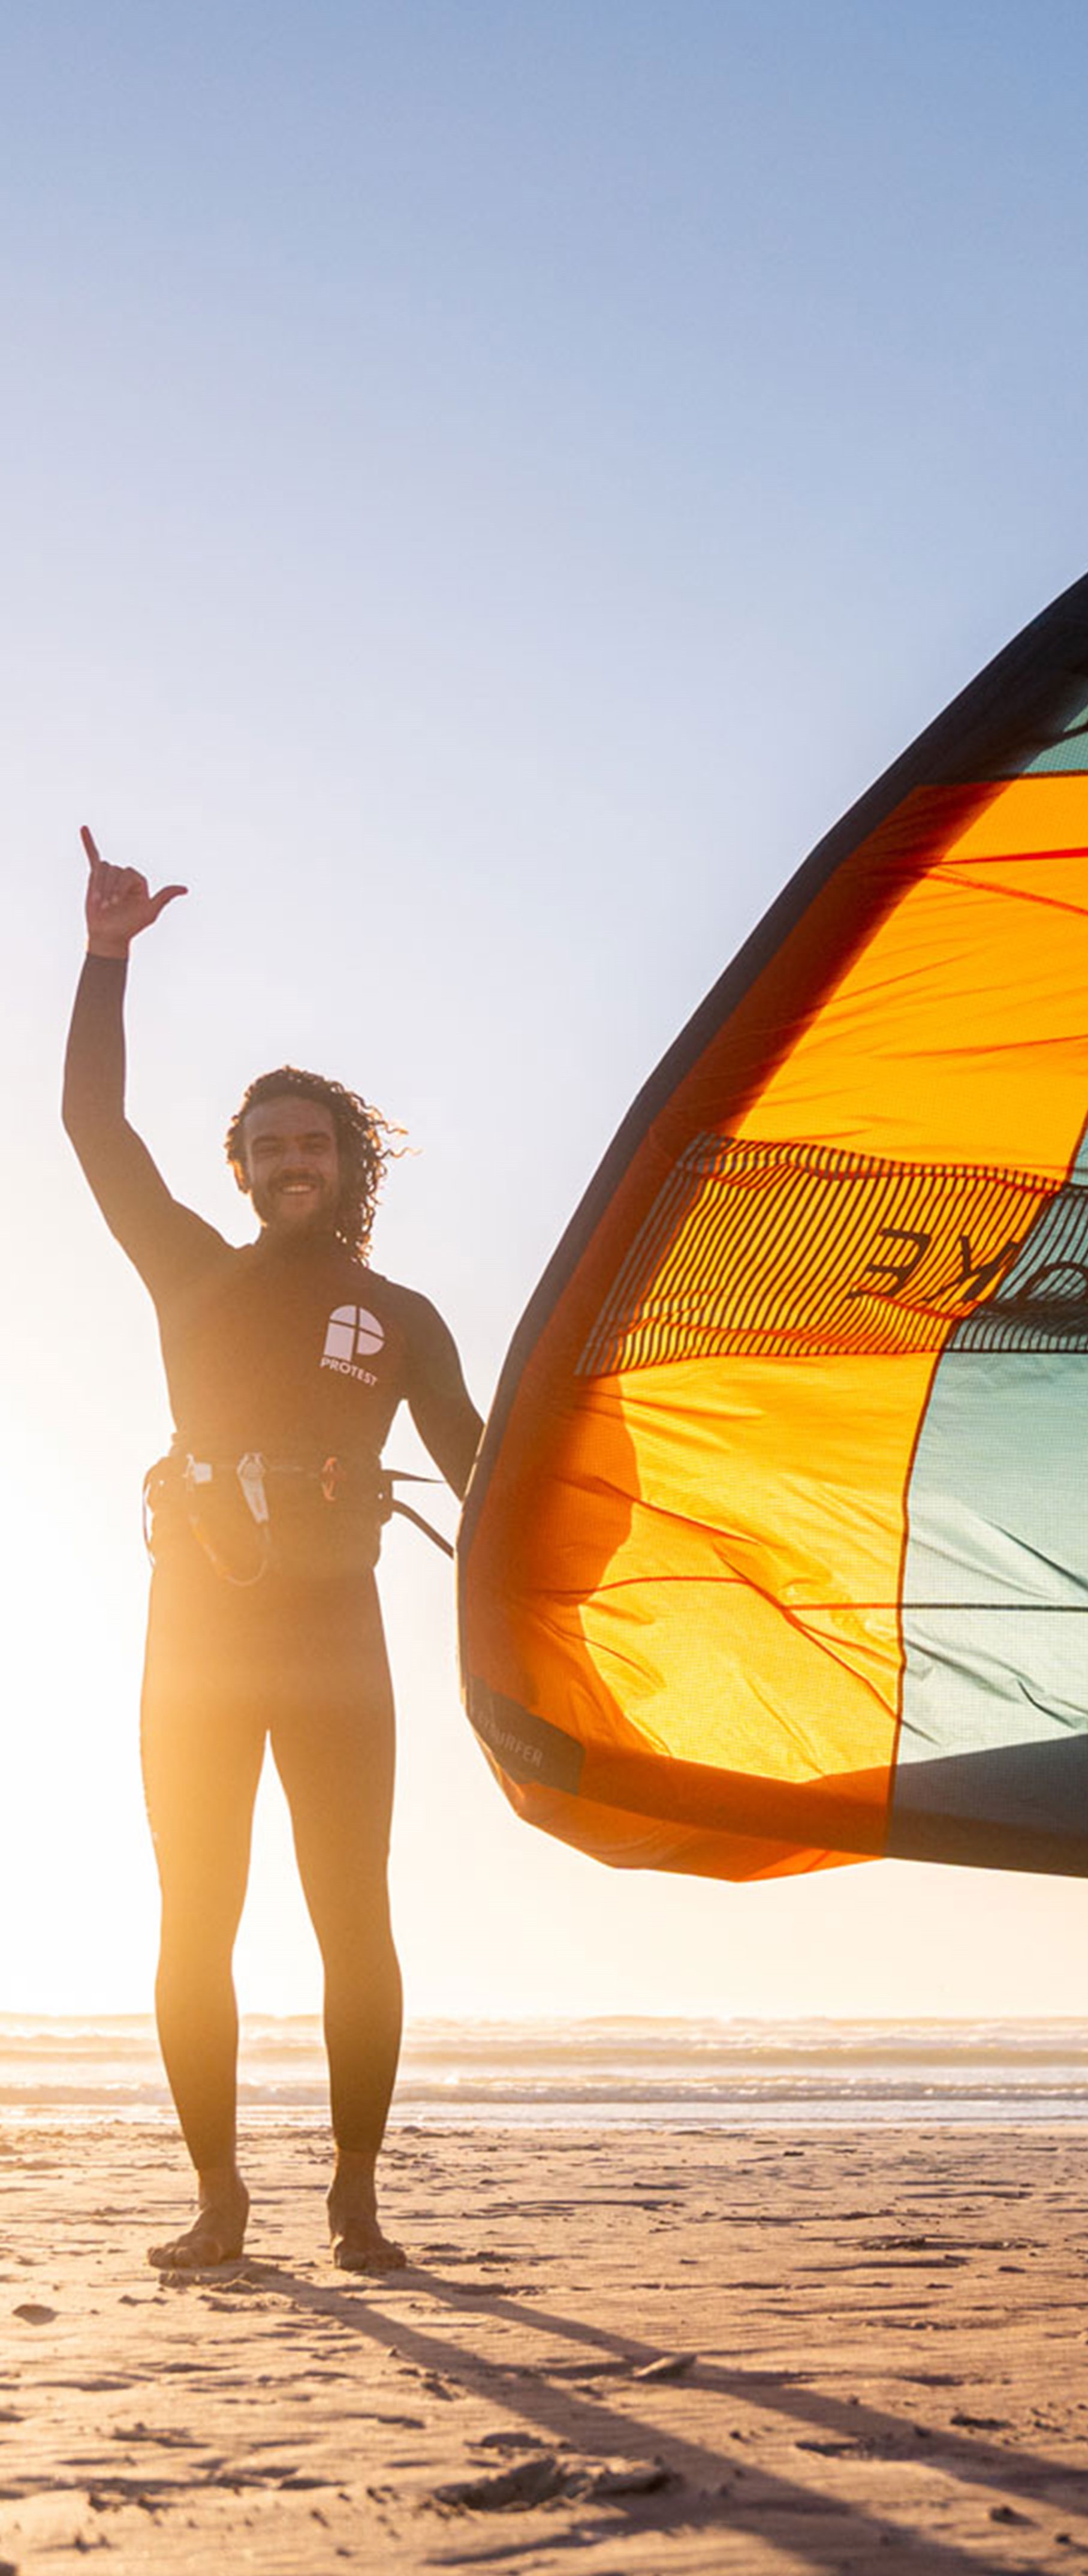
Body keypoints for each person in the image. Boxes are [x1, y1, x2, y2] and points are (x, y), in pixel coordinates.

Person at [64, 830, 483, 2271]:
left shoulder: (404, 1319)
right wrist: (106, 961)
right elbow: (92, 1128)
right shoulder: (191, 1273)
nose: (292, 1162)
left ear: (346, 1163)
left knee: (353, 1916)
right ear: (239, 1171)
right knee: (197, 1917)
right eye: (269, 1147)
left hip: (334, 1646)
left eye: (314, 1144)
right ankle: (218, 2199)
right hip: (196, 1637)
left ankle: (357, 2199)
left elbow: (481, 1475)